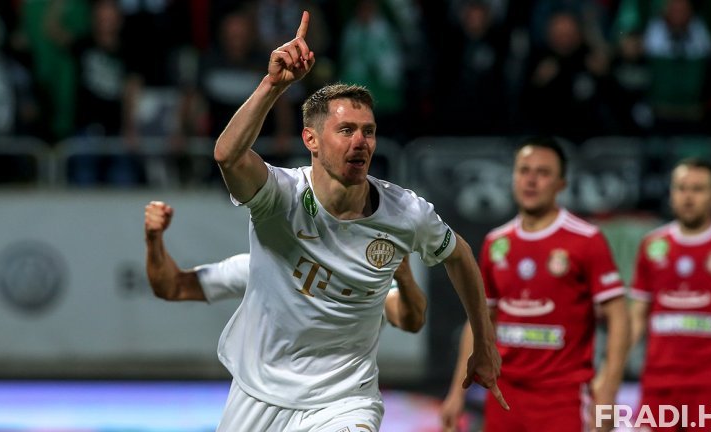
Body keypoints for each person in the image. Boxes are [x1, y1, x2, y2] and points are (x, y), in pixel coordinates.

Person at [206, 11, 504, 431]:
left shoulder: (405, 212)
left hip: (346, 400)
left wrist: (484, 344)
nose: (360, 142)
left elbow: (460, 255)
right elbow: (227, 156)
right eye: (346, 130)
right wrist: (273, 86)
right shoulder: (280, 196)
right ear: (311, 139)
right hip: (259, 392)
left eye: (368, 131)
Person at [441, 136, 630, 432]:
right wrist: (457, 393)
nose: (531, 180)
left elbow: (619, 317)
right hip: (504, 396)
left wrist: (608, 389)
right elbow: (480, 321)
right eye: (524, 171)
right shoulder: (497, 242)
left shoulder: (586, 239)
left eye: (543, 173)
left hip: (563, 399)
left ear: (561, 184)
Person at [144, 200, 427, 332]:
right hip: (270, 399)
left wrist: (404, 277)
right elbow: (173, 287)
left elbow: (410, 321)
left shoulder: (364, 279)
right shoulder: (259, 269)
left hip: (340, 403)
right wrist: (153, 240)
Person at [629, 158, 711, 430]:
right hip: (658, 383)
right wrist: (610, 373)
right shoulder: (652, 245)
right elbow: (636, 317)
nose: (688, 197)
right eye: (681, 188)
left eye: (698, 189)